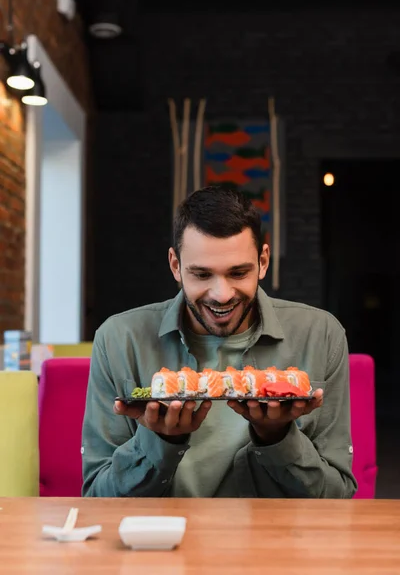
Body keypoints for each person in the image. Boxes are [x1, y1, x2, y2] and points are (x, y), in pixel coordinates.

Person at [81, 185, 357, 499]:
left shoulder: (320, 334)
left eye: (238, 273)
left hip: (277, 542)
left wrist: (277, 437)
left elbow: (337, 496)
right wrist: (160, 442)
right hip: (162, 541)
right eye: (201, 274)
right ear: (175, 266)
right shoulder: (118, 339)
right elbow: (97, 497)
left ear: (263, 261)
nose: (221, 294)